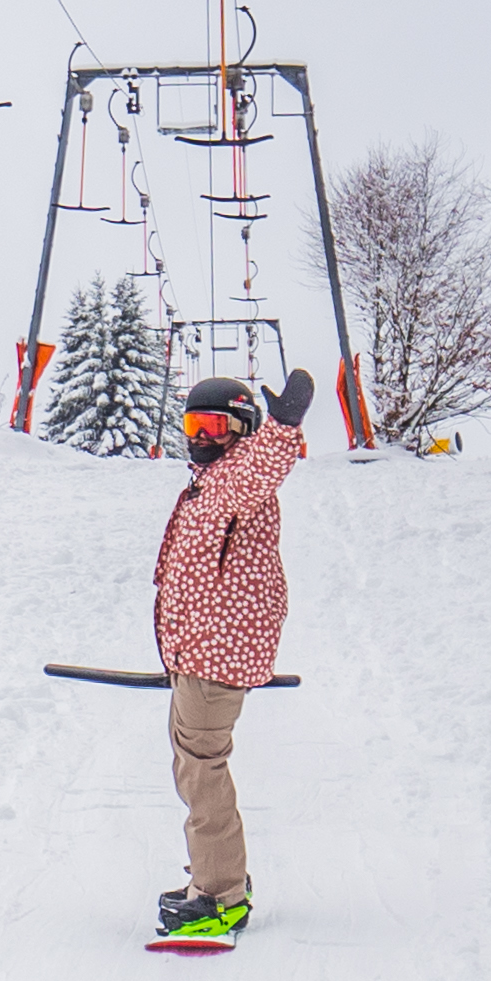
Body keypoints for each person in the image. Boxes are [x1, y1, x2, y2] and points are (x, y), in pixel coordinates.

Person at [150, 367, 317, 942]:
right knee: (191, 765)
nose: (200, 437)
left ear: (241, 430)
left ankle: (221, 896)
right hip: (196, 652)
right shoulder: (208, 484)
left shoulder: (237, 478)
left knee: (203, 770)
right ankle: (212, 878)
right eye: (192, 424)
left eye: (215, 426)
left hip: (215, 657)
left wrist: (283, 427)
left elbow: (264, 464)